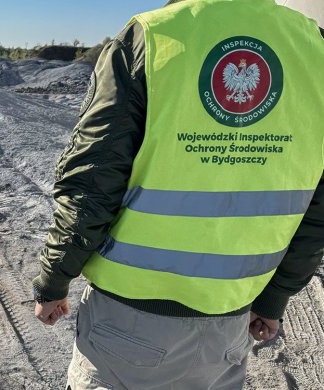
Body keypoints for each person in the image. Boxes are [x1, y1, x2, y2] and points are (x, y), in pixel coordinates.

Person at [31, 0, 324, 388]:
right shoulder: (314, 47)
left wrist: (55, 279)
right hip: (229, 327)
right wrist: (275, 297)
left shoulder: (150, 36)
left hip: (129, 324)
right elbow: (318, 207)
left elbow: (93, 181)